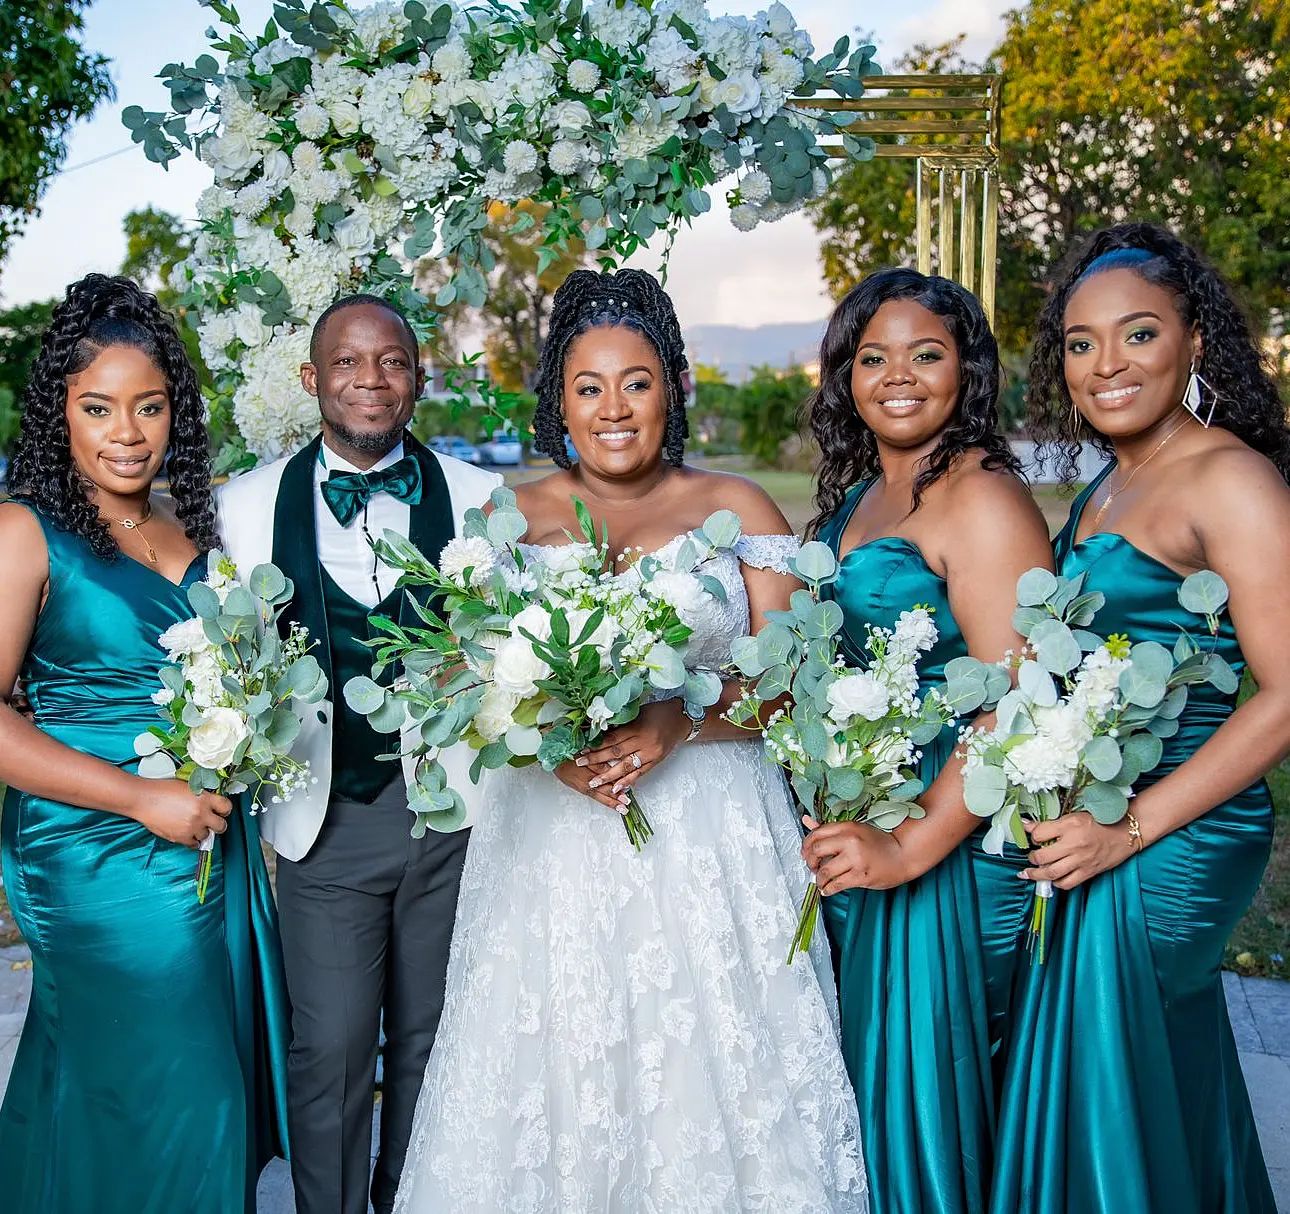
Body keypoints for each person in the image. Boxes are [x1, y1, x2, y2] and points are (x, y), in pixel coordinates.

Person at [394, 268, 867, 1212]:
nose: (613, 408)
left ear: (673, 388)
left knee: (712, 1069)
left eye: (637, 382)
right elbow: (452, 676)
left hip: (712, 840)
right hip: (551, 843)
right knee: (555, 1064)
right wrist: (541, 738)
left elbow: (794, 681)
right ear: (559, 401)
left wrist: (682, 719)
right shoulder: (507, 520)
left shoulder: (740, 510)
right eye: (589, 386)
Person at [991, 222, 1286, 1213]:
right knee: (1148, 1068)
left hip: (1178, 828)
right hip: (1100, 815)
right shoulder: (1108, 484)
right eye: (1081, 343)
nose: (1106, 363)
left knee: (1115, 1059)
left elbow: (1287, 693)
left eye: (1139, 333)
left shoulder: (1229, 477)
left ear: (1194, 339)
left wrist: (1129, 827)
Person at [0, 274, 288, 1213]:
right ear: (61, 413)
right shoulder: (25, 531)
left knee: (117, 1081)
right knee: (175, 1089)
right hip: (94, 847)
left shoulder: (187, 525)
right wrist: (138, 797)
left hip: (205, 842)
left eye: (150, 406)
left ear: (176, 414)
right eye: (99, 408)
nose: (127, 432)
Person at [216, 293, 502, 1214]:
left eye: (392, 362)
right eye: (347, 362)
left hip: (457, 818)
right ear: (312, 378)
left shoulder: (483, 499)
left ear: (419, 378)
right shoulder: (242, 508)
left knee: (434, 1042)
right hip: (324, 821)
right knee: (332, 1047)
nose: (370, 380)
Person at [798, 269, 1052, 1214]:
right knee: (871, 1089)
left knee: (930, 1099)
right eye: (874, 357)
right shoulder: (866, 493)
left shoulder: (981, 497)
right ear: (846, 377)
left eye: (926, 354)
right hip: (870, 827)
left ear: (967, 370)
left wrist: (908, 846)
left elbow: (1017, 700)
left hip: (949, 843)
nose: (897, 376)